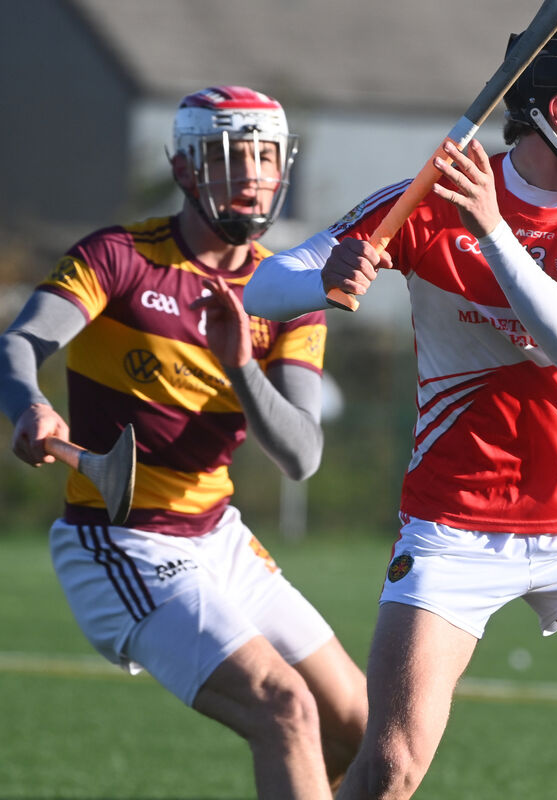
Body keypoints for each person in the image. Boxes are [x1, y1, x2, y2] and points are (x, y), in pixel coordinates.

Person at [244, 26, 557, 800]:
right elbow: (266, 284)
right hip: (455, 530)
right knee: (388, 769)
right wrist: (326, 276)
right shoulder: (426, 203)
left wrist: (492, 230)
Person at [0, 86, 367, 800]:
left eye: (264, 156)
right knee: (283, 708)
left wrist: (239, 365)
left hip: (219, 536)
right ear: (187, 169)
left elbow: (300, 455)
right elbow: (21, 342)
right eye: (233, 157)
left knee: (354, 719)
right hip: (121, 540)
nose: (253, 174)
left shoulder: (287, 289)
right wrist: (31, 405)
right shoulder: (120, 258)